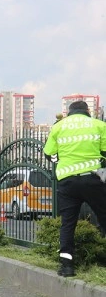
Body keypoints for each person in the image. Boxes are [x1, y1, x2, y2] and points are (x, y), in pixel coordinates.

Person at [43, 100, 106, 277]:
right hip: (92, 179)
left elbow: (49, 153)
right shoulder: (99, 125)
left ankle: (67, 266)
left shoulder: (58, 127)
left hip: (67, 181)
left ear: (69, 112)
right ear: (87, 111)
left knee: (68, 223)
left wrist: (62, 160)